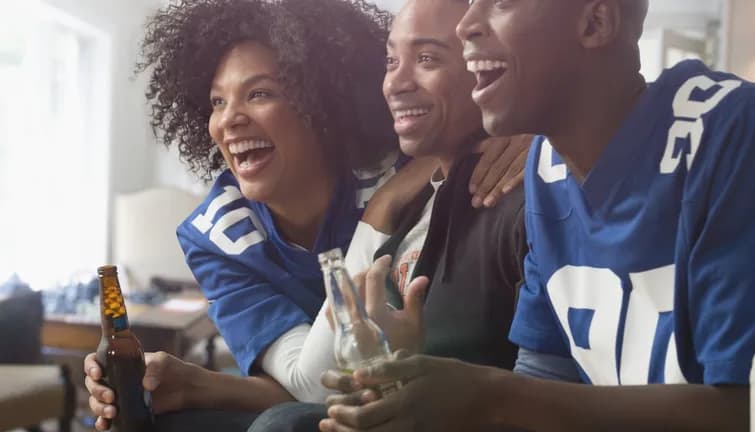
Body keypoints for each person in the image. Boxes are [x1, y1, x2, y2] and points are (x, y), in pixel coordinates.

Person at [317, 0, 755, 431]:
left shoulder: (733, 129)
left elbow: (749, 408)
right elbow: (546, 376)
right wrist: (416, 399)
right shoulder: (546, 167)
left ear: (596, 22)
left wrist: (491, 396)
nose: (467, 24)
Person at [82, 0, 526, 429]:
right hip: (334, 390)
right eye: (217, 102)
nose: (229, 119)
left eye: (259, 93)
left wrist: (524, 131)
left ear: (321, 102)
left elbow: (470, 114)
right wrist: (196, 384)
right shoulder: (217, 235)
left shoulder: (401, 162)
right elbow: (305, 384)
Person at [246, 0, 532, 429]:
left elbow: (546, 388)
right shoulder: (416, 199)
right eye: (391, 60)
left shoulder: (518, 198)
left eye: (427, 58)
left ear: (488, 68)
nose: (396, 82)